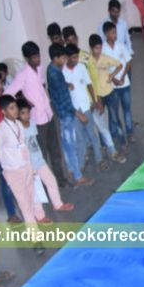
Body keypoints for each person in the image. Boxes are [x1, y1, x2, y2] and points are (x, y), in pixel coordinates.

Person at [7, 41, 69, 188]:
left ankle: (61, 179)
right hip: (37, 121)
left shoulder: (40, 68)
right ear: (27, 58)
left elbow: (41, 85)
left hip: (48, 114)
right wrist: (23, 101)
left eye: (38, 56)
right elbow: (8, 94)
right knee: (41, 155)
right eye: (34, 57)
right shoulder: (23, 75)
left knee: (55, 150)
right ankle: (45, 185)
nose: (38, 59)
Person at [16, 96, 74, 219]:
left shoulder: (32, 124)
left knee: (51, 181)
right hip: (29, 165)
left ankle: (57, 204)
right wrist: (29, 168)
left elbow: (35, 143)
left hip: (39, 160)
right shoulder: (18, 130)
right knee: (36, 190)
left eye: (28, 112)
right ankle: (40, 215)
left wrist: (41, 158)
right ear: (18, 115)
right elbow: (20, 151)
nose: (27, 115)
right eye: (23, 113)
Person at [46, 43, 93, 187]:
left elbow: (56, 89)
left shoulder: (51, 68)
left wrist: (66, 84)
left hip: (60, 113)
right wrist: (78, 114)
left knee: (67, 145)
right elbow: (65, 100)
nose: (65, 60)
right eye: (62, 58)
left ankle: (72, 170)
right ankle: (78, 177)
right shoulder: (56, 74)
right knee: (71, 145)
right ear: (56, 58)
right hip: (66, 114)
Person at [0, 95, 36, 226]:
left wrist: (30, 166)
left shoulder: (19, 124)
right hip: (13, 171)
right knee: (24, 204)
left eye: (15, 107)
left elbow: (23, 144)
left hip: (26, 166)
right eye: (11, 108)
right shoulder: (0, 130)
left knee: (31, 199)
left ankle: (33, 225)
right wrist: (7, 162)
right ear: (3, 111)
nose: (15, 110)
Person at [63, 44, 107, 171]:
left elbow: (89, 84)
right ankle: (81, 164)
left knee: (93, 135)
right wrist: (66, 85)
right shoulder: (63, 72)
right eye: (73, 57)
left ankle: (100, 160)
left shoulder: (81, 67)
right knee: (80, 139)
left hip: (86, 106)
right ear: (67, 57)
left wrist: (93, 101)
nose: (76, 60)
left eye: (77, 57)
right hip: (75, 110)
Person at [89, 33, 127, 158]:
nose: (99, 50)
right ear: (91, 48)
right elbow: (90, 82)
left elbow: (119, 65)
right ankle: (105, 145)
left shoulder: (105, 58)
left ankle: (123, 144)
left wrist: (112, 76)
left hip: (110, 93)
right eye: (96, 48)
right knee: (101, 123)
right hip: (98, 97)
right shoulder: (89, 62)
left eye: (100, 47)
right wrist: (95, 99)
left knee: (115, 119)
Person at [0, 69, 21, 222]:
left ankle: (23, 202)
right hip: (0, 146)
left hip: (13, 143)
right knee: (6, 179)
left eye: (1, 83)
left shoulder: (4, 98)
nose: (0, 86)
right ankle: (11, 213)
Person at [102, 21, 134, 145]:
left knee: (127, 110)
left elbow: (128, 62)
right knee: (113, 112)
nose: (115, 35)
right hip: (112, 87)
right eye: (112, 33)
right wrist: (114, 79)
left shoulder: (120, 46)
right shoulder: (103, 50)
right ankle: (114, 134)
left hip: (124, 84)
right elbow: (103, 70)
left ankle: (130, 132)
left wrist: (123, 76)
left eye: (115, 32)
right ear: (106, 34)